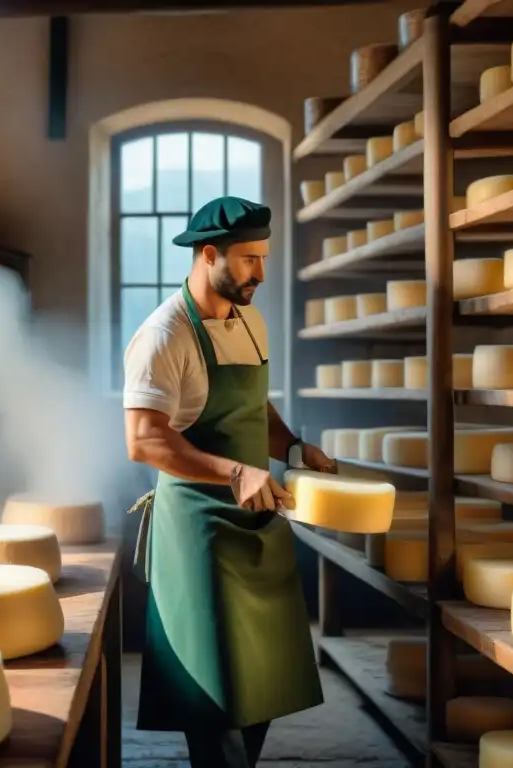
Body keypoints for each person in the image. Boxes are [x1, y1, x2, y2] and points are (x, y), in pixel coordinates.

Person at [122, 196, 337, 768]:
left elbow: (255, 409)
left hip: (257, 523)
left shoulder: (249, 319)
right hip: (200, 531)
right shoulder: (163, 334)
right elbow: (144, 440)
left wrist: (291, 447)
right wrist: (235, 471)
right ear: (209, 254)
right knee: (216, 695)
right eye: (247, 260)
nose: (260, 274)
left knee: (259, 682)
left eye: (263, 258)